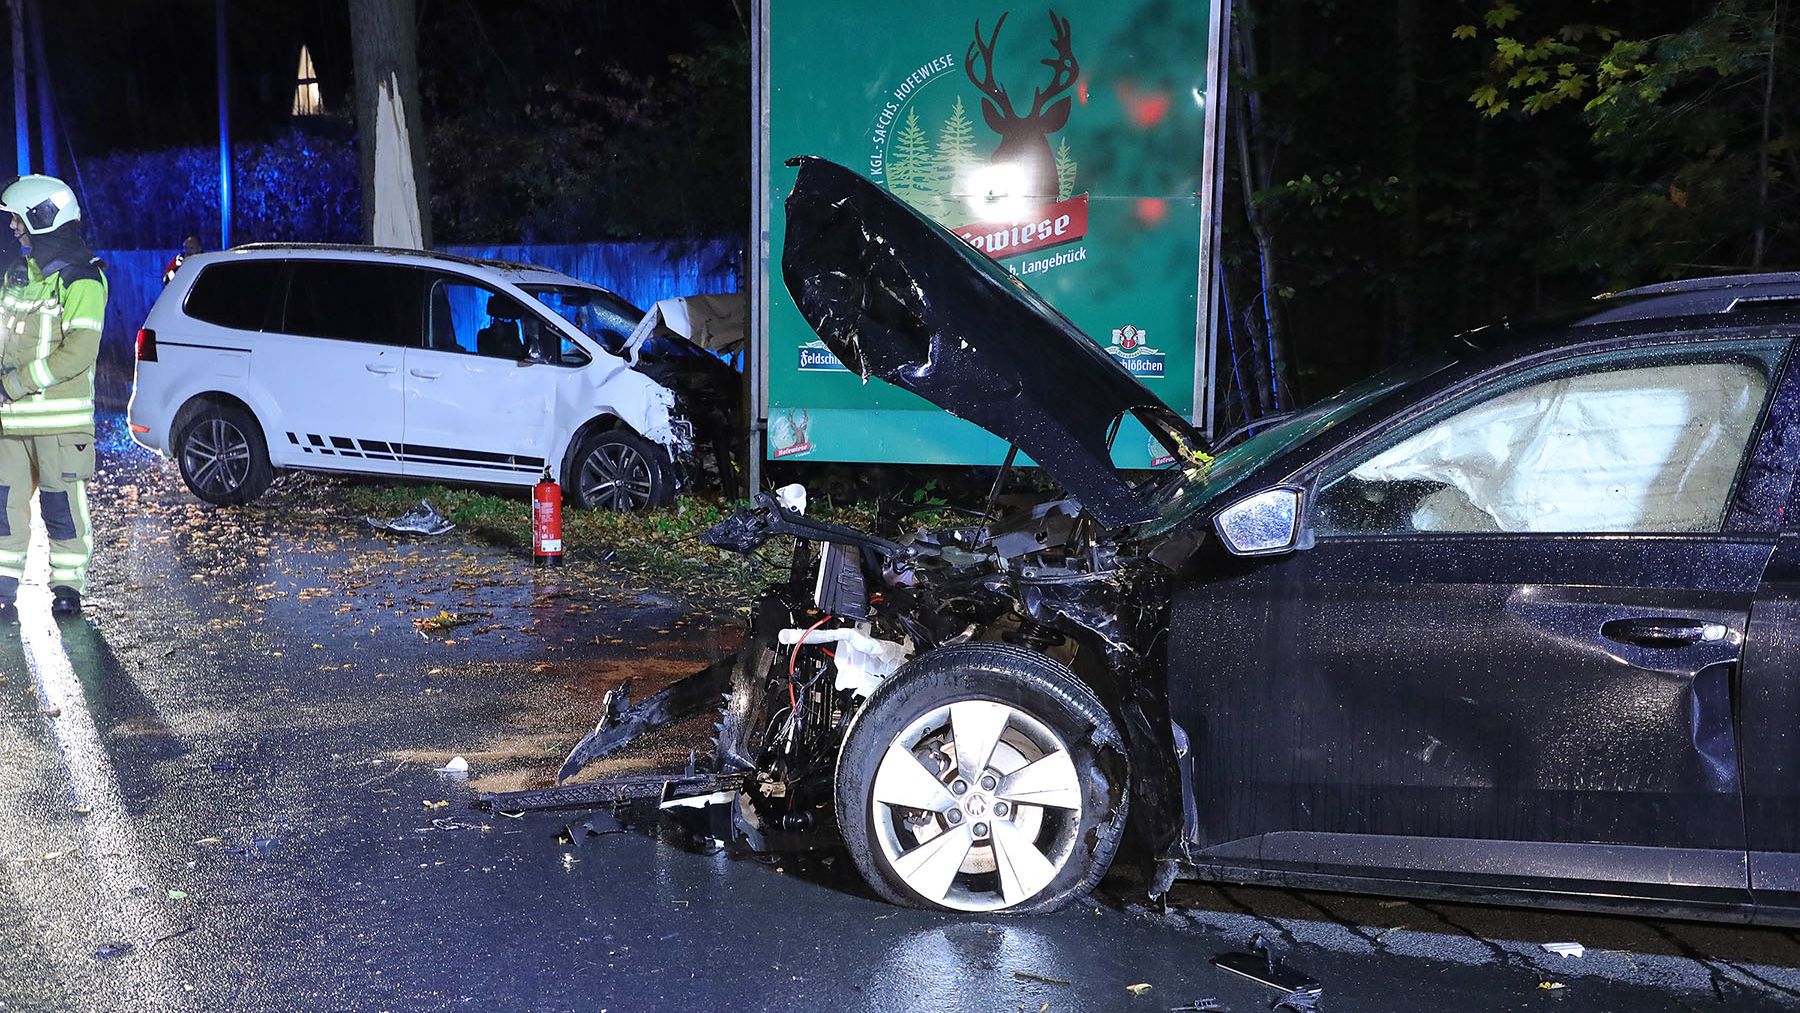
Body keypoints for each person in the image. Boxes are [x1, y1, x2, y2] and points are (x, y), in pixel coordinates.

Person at [0, 174, 106, 622]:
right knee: (4, 510)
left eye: (18, 221)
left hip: (60, 426)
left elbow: (78, 353)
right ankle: (3, 586)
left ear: (42, 219)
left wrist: (15, 383)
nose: (12, 229)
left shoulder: (84, 280)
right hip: (11, 425)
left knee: (63, 511)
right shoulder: (16, 277)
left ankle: (67, 589)